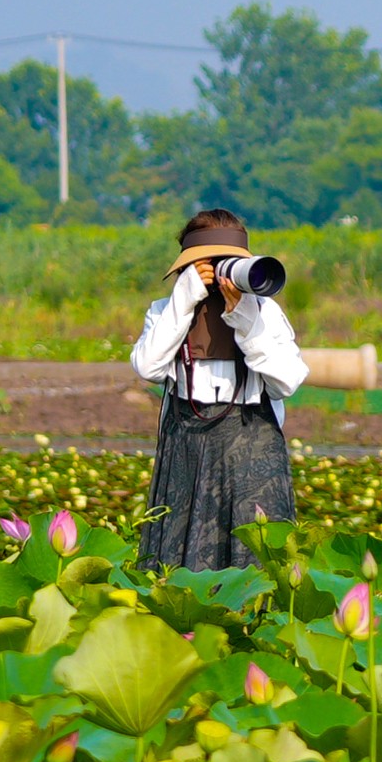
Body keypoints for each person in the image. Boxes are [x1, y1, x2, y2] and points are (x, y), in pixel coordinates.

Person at [132, 209, 309, 571]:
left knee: (256, 564)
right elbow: (148, 366)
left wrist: (247, 323)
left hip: (252, 454)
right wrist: (184, 300)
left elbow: (287, 381)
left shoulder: (264, 312)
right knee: (179, 566)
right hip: (187, 452)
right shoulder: (166, 311)